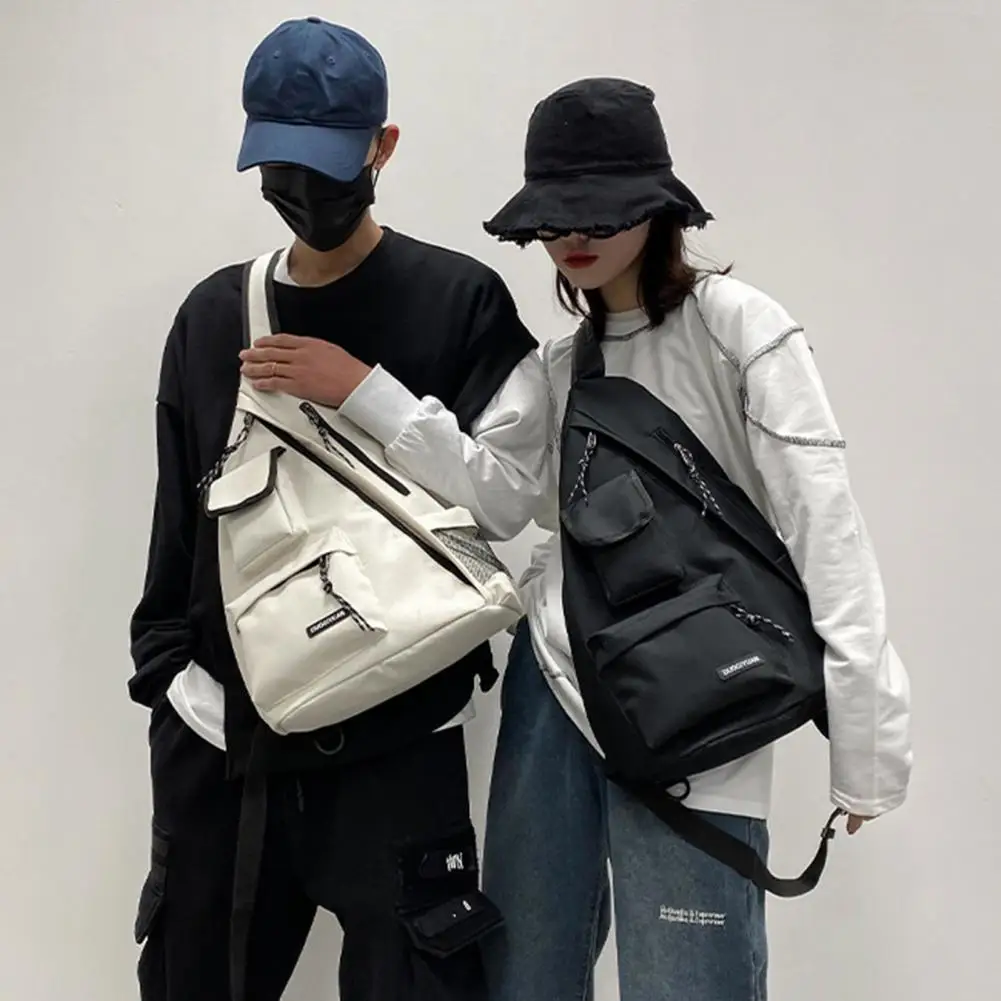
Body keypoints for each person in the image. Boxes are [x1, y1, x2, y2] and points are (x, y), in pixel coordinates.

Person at [128, 18, 549, 1001]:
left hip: (399, 739)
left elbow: (509, 500)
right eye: (278, 167)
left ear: (380, 146)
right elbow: (180, 524)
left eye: (324, 165)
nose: (301, 192)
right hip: (224, 743)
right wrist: (167, 678)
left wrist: (365, 391)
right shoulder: (213, 315)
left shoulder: (460, 301)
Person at [479, 78, 913, 1001]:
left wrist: (866, 741)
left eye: (599, 209)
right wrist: (371, 399)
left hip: (699, 696)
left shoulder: (737, 326)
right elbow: (496, 497)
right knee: (524, 971)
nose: (573, 235)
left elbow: (822, 525)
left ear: (656, 206)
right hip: (553, 682)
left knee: (688, 982)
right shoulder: (559, 363)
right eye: (554, 215)